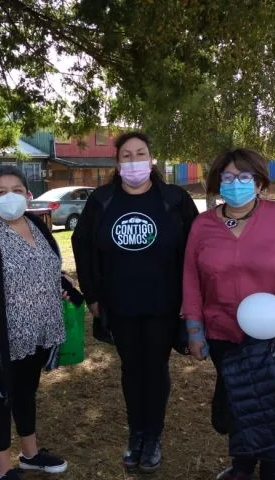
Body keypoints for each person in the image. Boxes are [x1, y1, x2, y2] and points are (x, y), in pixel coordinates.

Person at [181, 148, 275, 480]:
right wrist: (194, 329)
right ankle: (242, 467)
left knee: (271, 402)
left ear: (259, 184)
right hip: (222, 332)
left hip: (274, 333)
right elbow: (190, 277)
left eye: (245, 177)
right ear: (218, 183)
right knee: (238, 402)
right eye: (228, 177)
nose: (236, 183)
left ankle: (274, 469)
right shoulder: (202, 225)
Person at [71, 131, 199, 472]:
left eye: (140, 153)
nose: (133, 161)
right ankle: (136, 434)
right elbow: (82, 246)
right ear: (117, 163)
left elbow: (196, 250)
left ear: (151, 159)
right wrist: (93, 296)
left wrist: (192, 300)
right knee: (131, 369)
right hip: (120, 305)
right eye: (126, 155)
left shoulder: (174, 199)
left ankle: (153, 436)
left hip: (164, 305)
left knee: (155, 369)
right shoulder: (102, 200)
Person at [0, 165, 69, 480]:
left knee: (26, 392)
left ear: (28, 195)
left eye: (17, 190)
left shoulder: (36, 224)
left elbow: (46, 266)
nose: (10, 197)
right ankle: (4, 469)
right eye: (1, 192)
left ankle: (31, 455)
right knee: (1, 400)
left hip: (37, 333)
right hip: (1, 340)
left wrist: (61, 284)